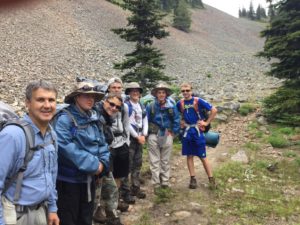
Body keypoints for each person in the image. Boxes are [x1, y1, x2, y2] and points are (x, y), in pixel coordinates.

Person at [0, 80, 59, 225]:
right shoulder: (13, 135)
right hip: (15, 215)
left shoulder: (52, 135)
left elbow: (51, 174)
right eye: (40, 100)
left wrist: (52, 208)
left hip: (41, 210)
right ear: (27, 103)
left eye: (51, 100)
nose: (47, 105)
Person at [53, 80, 110, 225]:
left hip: (88, 180)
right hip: (68, 182)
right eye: (86, 96)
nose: (91, 99)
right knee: (68, 219)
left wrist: (103, 163)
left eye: (93, 97)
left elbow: (102, 143)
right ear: (76, 97)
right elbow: (65, 147)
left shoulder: (93, 118)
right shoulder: (64, 119)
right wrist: (94, 165)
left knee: (85, 218)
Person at [176, 82, 217, 189]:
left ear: (191, 91)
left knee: (202, 156)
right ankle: (192, 179)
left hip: (198, 132)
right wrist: (181, 122)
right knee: (189, 155)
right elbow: (177, 115)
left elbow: (214, 110)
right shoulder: (180, 103)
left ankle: (211, 179)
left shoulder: (198, 100)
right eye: (183, 91)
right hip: (187, 132)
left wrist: (206, 123)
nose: (185, 92)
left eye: (187, 90)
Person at [93, 93, 125, 225]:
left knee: (111, 189)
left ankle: (113, 217)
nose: (113, 108)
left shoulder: (106, 118)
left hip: (104, 160)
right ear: (105, 101)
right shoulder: (96, 116)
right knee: (96, 196)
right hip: (96, 163)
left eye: (117, 107)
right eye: (111, 104)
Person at [146, 83, 180, 192]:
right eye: (159, 92)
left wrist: (174, 133)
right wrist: (146, 134)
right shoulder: (150, 106)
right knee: (154, 160)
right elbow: (145, 121)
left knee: (165, 160)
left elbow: (176, 120)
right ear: (156, 94)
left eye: (163, 92)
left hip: (167, 134)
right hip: (153, 134)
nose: (161, 94)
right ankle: (156, 183)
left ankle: (165, 181)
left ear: (166, 94)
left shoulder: (171, 106)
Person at [124, 82, 148, 199]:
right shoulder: (126, 106)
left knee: (137, 163)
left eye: (137, 90)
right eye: (132, 90)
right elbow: (127, 123)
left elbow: (145, 120)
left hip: (140, 138)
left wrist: (144, 134)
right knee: (128, 164)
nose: (135, 92)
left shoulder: (141, 106)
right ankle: (125, 190)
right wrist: (137, 136)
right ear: (128, 92)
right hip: (130, 139)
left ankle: (135, 187)